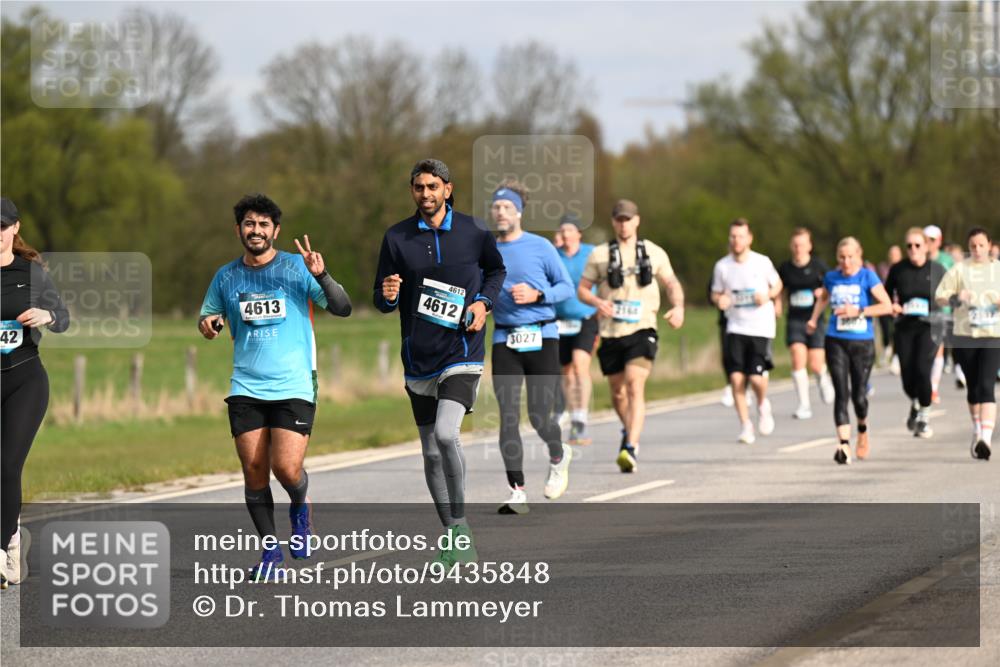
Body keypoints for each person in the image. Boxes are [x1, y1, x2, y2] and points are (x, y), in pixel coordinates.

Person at [199, 194, 352, 581]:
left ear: (276, 231)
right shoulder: (226, 276)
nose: (256, 230)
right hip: (246, 385)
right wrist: (210, 324)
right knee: (254, 471)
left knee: (286, 468)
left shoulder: (297, 268)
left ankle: (300, 509)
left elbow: (342, 307)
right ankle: (271, 553)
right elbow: (208, 318)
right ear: (239, 230)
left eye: (264, 224)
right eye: (249, 223)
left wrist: (322, 275)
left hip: (295, 384)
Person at [374, 159, 505, 560]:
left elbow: (496, 271)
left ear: (448, 189)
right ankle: (451, 535)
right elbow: (381, 299)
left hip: (462, 352)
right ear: (412, 191)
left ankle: (462, 528)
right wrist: (390, 293)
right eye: (418, 187)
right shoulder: (397, 237)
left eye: (433, 186)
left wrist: (483, 304)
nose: (426, 194)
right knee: (431, 452)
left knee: (447, 435)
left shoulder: (474, 230)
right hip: (418, 357)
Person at [577, 199, 684, 472]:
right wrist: (596, 302)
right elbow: (583, 289)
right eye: (619, 219)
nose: (623, 224)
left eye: (628, 219)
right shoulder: (599, 254)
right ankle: (629, 431)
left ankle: (630, 448)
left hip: (642, 328)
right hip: (611, 331)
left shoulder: (653, 252)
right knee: (617, 392)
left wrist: (678, 306)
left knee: (635, 385)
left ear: (637, 221)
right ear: (614, 222)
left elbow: (671, 282)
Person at [489, 182, 575, 513]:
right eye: (496, 208)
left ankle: (558, 452)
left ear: (519, 212)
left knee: (539, 415)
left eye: (506, 208)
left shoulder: (540, 247)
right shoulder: (487, 251)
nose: (500, 212)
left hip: (542, 335)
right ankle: (517, 491)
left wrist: (539, 295)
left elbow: (566, 287)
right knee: (508, 417)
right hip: (505, 338)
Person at [0, 198, 70, 590]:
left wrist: (47, 316)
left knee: (6, 465)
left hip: (24, 380)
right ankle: (11, 540)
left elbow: (63, 317)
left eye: (2, 227)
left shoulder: (32, 274)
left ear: (14, 229)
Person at [807, 237, 892, 464]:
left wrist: (859, 310)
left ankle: (862, 430)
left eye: (850, 257)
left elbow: (886, 306)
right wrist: (814, 319)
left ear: (859, 255)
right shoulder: (831, 277)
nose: (846, 262)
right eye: (842, 257)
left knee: (859, 396)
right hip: (835, 340)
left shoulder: (867, 276)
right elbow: (823, 298)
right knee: (841, 392)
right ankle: (843, 445)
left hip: (862, 343)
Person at [710, 218, 782, 444]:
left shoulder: (762, 262)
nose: (736, 240)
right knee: (736, 379)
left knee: (757, 378)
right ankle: (745, 425)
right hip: (735, 327)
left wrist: (768, 295)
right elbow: (715, 293)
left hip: (760, 327)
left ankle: (762, 404)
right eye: (732, 236)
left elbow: (778, 284)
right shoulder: (722, 266)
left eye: (740, 236)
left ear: (749, 238)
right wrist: (719, 300)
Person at [936, 227, 1000, 461]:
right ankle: (977, 429)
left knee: (987, 386)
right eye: (973, 246)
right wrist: (956, 298)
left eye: (981, 245)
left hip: (993, 334)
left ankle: (985, 438)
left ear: (989, 245)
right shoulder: (960, 270)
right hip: (965, 335)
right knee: (973, 388)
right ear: (968, 247)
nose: (977, 250)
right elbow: (940, 295)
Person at [884, 228, 945, 438]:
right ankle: (917, 402)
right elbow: (886, 293)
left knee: (922, 368)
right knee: (908, 378)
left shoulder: (936, 270)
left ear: (926, 247)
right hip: (905, 327)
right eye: (909, 245)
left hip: (930, 326)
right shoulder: (898, 269)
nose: (913, 249)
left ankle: (925, 418)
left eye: (917, 245)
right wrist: (893, 305)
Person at [777, 228, 835, 419]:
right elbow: (779, 289)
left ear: (809, 246)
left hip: (815, 319)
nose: (798, 248)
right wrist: (777, 304)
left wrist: (822, 292)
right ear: (790, 246)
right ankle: (804, 404)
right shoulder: (785, 268)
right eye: (795, 245)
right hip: (795, 318)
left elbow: (832, 286)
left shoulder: (819, 266)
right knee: (797, 356)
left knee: (816, 363)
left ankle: (822, 379)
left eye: (802, 244)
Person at [554, 214, 598, 446]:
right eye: (563, 231)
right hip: (559, 320)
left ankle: (580, 418)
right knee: (566, 372)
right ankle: (571, 414)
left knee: (581, 366)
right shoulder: (554, 254)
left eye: (570, 230)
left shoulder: (592, 253)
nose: (566, 234)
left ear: (579, 233)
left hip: (586, 318)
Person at [924, 225, 954, 403]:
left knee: (937, 348)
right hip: (921, 310)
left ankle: (933, 387)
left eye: (932, 240)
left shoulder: (946, 259)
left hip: (941, 310)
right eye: (926, 239)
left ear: (939, 241)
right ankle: (924, 383)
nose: (928, 243)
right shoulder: (918, 256)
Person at [877, 244, 903, 371]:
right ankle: (886, 347)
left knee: (897, 332)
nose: (893, 257)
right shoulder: (882, 268)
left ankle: (896, 358)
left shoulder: (904, 269)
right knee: (886, 330)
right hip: (886, 304)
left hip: (899, 306)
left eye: (896, 254)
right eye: (891, 254)